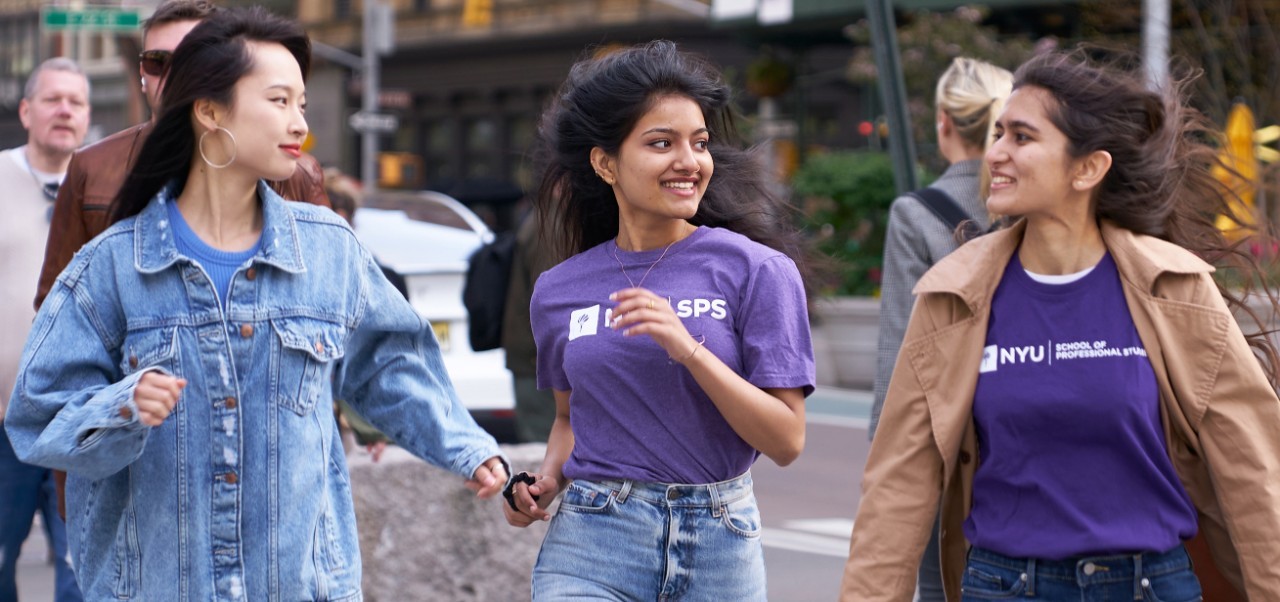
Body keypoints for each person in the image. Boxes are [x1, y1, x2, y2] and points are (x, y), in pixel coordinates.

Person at [3, 8, 508, 600]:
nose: (300, 121)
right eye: (279, 100)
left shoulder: (329, 250)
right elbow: (38, 415)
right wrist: (123, 405)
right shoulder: (113, 265)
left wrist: (469, 451)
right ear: (210, 111)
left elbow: (392, 366)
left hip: (302, 586)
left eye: (300, 102)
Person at [842, 49, 1280, 600]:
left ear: (1088, 168)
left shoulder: (1174, 289)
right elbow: (897, 484)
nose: (994, 153)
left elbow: (1256, 475)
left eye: (1021, 137)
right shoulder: (953, 296)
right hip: (1002, 585)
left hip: (1149, 586)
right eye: (997, 133)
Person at [502, 41, 815, 600]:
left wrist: (689, 349)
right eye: (660, 143)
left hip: (719, 543)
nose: (689, 161)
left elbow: (787, 440)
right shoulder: (558, 290)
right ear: (605, 163)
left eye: (699, 143)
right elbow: (570, 420)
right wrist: (544, 482)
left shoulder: (758, 271)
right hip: (593, 541)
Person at [35, 0, 329, 310]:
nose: (175, 76)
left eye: (192, 61)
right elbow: (55, 311)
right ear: (142, 74)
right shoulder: (92, 169)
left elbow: (337, 308)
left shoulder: (296, 174)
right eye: (158, 62)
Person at [866, 56, 1012, 602]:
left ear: (943, 124)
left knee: (940, 586)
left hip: (946, 446)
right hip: (1018, 438)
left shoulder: (917, 212)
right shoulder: (1037, 205)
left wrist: (883, 466)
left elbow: (901, 352)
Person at [0, 57, 89, 602]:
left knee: (82, 573)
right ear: (26, 111)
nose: (65, 110)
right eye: (53, 99)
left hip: (81, 423)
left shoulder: (109, 183)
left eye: (76, 101)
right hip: (3, 424)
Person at [501, 208, 558, 443]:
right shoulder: (552, 222)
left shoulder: (547, 219)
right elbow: (551, 298)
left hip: (539, 358)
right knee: (543, 448)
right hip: (539, 360)